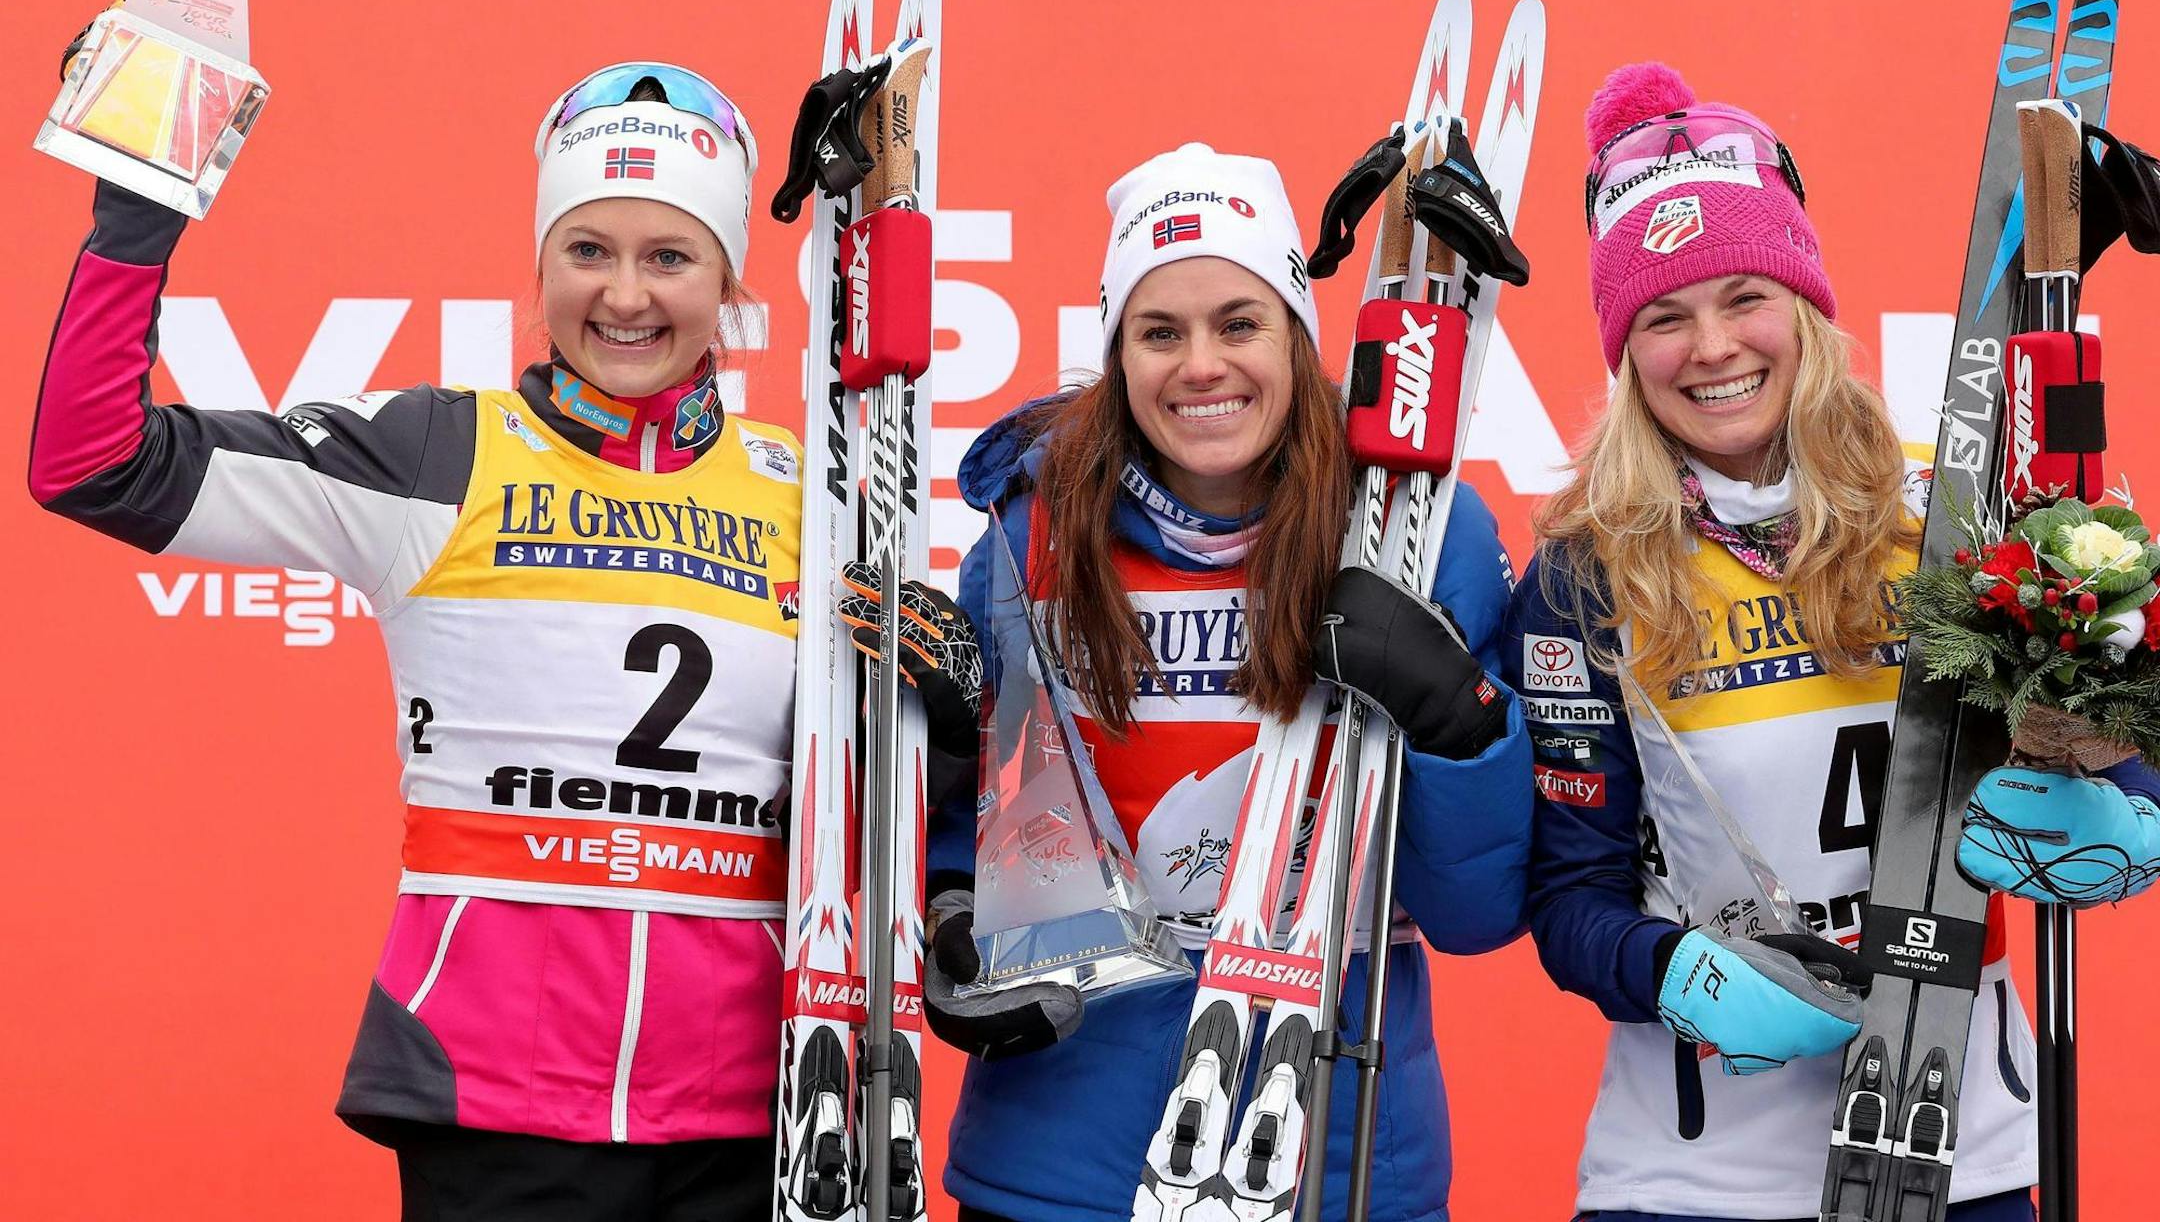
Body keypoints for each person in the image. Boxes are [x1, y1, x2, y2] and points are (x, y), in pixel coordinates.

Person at [31, 59, 802, 1221]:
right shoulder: (436, 455)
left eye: (670, 257)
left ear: (729, 280)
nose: (627, 296)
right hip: (497, 1106)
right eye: (587, 250)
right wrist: (140, 201)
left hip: (756, 1118)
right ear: (539, 262)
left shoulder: (810, 492)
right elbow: (93, 463)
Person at [1505, 61, 2160, 1222]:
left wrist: (2124, 807)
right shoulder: (1581, 572)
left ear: (1804, 305)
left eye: (1744, 296)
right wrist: (1676, 974)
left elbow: (2119, 747)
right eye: (1663, 316)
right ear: (1624, 348)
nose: (1712, 347)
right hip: (1696, 1176)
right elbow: (1567, 898)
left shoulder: (1952, 516)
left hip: (1973, 1150)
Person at [914, 142, 1532, 1222]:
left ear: (1293, 336)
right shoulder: (1032, 535)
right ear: (1118, 352)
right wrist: (957, 910)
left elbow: (1473, 914)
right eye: (1160, 332)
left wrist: (1454, 723)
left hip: (1331, 1152)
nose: (1202, 365)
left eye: (1238, 324)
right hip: (1065, 1158)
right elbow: (989, 835)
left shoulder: (1421, 537)